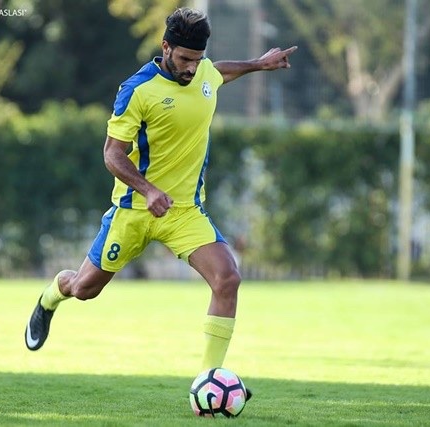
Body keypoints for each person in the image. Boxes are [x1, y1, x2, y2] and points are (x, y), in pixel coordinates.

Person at [24, 6, 297, 400]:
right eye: (185, 59)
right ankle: (51, 296)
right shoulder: (137, 89)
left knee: (228, 279)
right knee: (84, 289)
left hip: (184, 212)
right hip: (133, 211)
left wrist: (258, 64)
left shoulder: (203, 73)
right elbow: (112, 154)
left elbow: (218, 73)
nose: (191, 68)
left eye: (197, 60)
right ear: (165, 47)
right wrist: (148, 190)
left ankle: (208, 379)